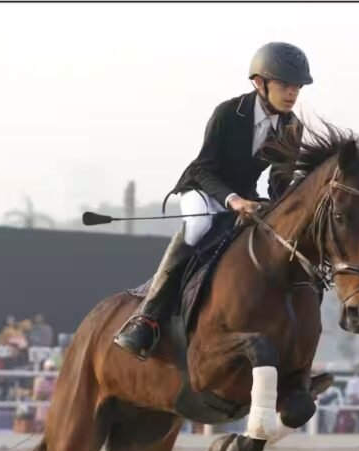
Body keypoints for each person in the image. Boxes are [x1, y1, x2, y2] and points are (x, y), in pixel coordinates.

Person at [114, 42, 311, 360]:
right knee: (198, 225)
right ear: (260, 83)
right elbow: (204, 168)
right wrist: (233, 201)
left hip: (244, 196)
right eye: (285, 85)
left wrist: (280, 207)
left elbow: (279, 182)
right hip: (202, 188)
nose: (292, 93)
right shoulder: (228, 113)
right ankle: (147, 317)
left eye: (297, 87)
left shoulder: (291, 127)